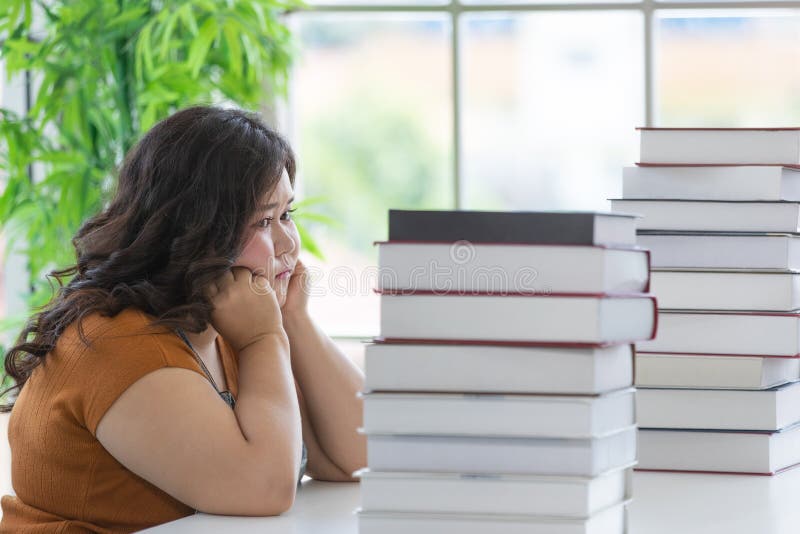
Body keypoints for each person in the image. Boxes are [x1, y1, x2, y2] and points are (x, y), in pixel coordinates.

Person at [0, 105, 367, 532]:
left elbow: (360, 455)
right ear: (198, 231)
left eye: (287, 215)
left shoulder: (223, 326)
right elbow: (264, 488)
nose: (288, 243)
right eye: (264, 221)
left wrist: (293, 322)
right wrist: (264, 340)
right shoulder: (120, 345)